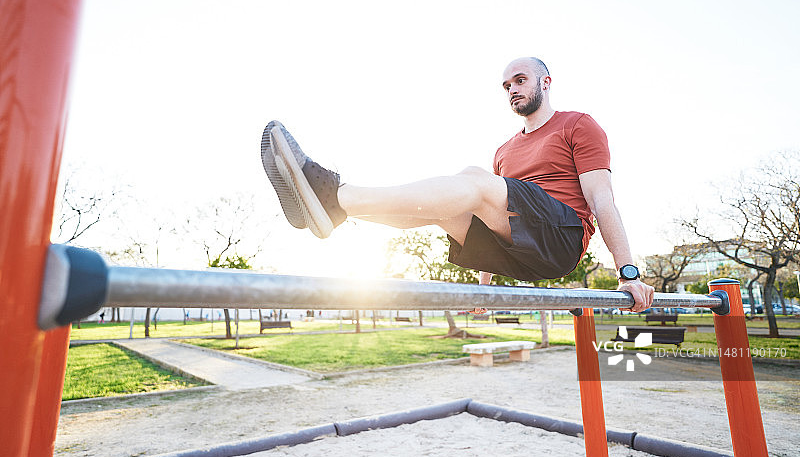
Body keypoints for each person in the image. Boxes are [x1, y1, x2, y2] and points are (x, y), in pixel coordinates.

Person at [261, 57, 654, 312]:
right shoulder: (504, 151)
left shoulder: (578, 125)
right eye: (507, 85)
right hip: (523, 253)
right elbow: (496, 217)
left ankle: (336, 195)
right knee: (449, 208)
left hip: (563, 237)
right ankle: (339, 212)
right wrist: (484, 289)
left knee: (474, 179)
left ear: (546, 82)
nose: (513, 89)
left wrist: (628, 273)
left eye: (520, 80)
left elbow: (602, 200)